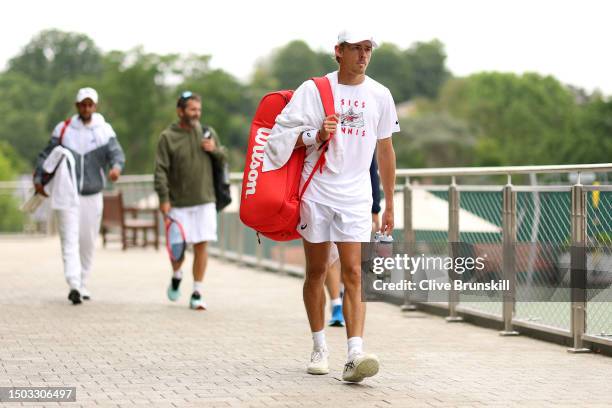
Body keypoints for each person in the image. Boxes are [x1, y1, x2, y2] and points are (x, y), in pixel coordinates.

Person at [263, 30, 399, 382]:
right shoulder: (314, 90)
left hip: (356, 197)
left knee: (354, 272)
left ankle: (355, 353)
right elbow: (278, 136)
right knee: (317, 271)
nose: (363, 55)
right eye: (356, 48)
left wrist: (388, 202)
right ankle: (319, 345)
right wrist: (315, 135)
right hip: (318, 192)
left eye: (368, 49)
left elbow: (385, 151)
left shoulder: (380, 95)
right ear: (338, 51)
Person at [33, 87, 125, 305]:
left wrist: (116, 168)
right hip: (67, 193)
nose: (86, 108)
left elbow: (116, 154)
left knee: (87, 240)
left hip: (92, 195)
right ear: (77, 106)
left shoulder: (104, 130)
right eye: (82, 104)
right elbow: (46, 156)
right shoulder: (64, 130)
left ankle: (83, 281)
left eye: (89, 104)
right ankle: (73, 283)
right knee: (69, 239)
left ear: (95, 106)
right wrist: (39, 179)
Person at [154, 91, 227, 310]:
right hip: (178, 203)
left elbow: (224, 158)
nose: (196, 114)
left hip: (205, 199)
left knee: (202, 245)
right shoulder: (167, 137)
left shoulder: (207, 132)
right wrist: (164, 199)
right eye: (192, 109)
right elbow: (160, 171)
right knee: (177, 249)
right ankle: (177, 275)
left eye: (199, 110)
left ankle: (197, 292)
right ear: (180, 111)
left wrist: (215, 150)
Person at [325, 156, 381, 327]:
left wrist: (375, 209)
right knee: (329, 256)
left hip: (354, 201)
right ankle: (336, 304)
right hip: (324, 195)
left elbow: (372, 170)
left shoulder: (363, 131)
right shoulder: (326, 129)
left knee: (350, 261)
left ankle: (342, 296)